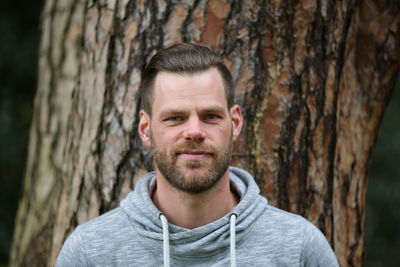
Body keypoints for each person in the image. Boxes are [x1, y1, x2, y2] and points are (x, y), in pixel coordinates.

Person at [56, 43, 339, 266]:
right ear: (146, 129)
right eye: (175, 118)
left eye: (210, 116)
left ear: (235, 123)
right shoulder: (91, 253)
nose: (194, 131)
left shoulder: (297, 247)